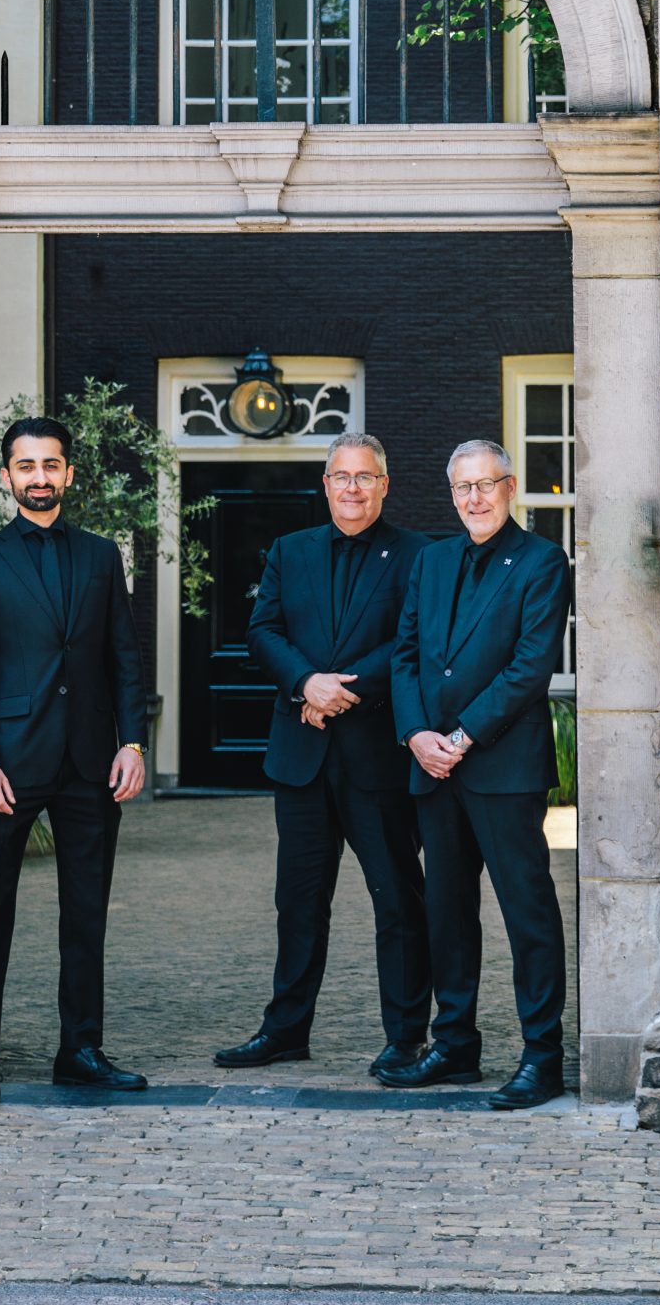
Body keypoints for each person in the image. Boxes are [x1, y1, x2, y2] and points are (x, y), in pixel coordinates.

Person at [0, 415, 150, 1110]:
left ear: (68, 473)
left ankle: (80, 1051)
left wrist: (132, 742)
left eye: (50, 465)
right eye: (26, 466)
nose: (39, 477)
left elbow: (123, 655)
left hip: (91, 762)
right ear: (6, 477)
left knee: (85, 913)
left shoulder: (100, 557)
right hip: (11, 763)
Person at [216, 431, 431, 1075]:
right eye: (342, 476)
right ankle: (285, 1030)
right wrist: (305, 682)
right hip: (301, 755)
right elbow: (262, 631)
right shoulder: (290, 550)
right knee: (299, 900)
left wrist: (340, 692)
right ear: (326, 483)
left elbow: (410, 643)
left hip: (378, 759)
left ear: (384, 485)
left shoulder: (419, 555)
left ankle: (405, 1036)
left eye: (366, 477)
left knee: (397, 899)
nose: (353, 487)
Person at [385, 437, 572, 1110]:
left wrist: (459, 736)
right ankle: (454, 1045)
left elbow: (529, 667)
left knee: (527, 915)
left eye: (485, 485)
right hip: (432, 766)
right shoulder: (431, 561)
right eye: (461, 487)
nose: (473, 498)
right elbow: (404, 655)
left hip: (502, 766)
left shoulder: (542, 562)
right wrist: (415, 735)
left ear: (509, 486)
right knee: (446, 913)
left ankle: (541, 1057)